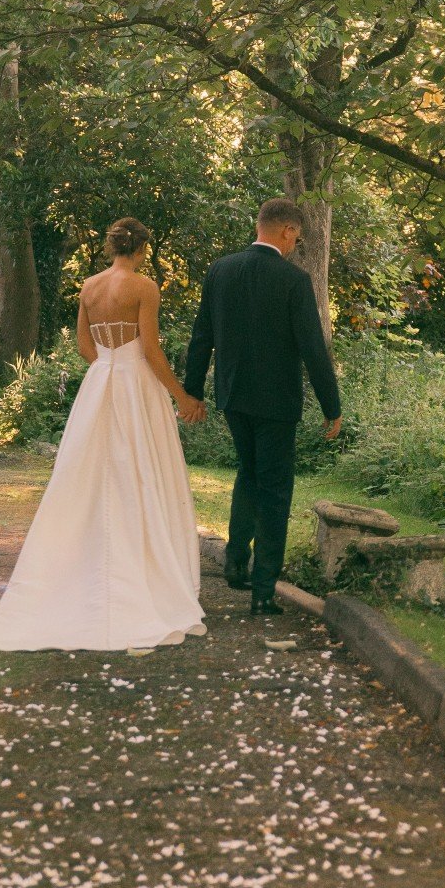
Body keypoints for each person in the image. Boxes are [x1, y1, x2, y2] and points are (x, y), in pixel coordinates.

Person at [0, 216, 209, 652]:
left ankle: (86, 567)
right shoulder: (144, 287)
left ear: (111, 247)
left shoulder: (89, 287)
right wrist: (182, 396)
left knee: (89, 474)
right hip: (135, 385)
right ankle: (143, 571)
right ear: (142, 249)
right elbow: (151, 349)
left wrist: (107, 366)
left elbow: (86, 347)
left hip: (100, 383)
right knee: (140, 471)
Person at [184, 197, 342, 615]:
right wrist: (332, 404)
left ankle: (236, 563)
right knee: (274, 488)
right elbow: (313, 348)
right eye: (297, 237)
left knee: (248, 473)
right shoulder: (292, 280)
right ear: (287, 230)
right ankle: (263, 590)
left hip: (233, 395)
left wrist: (193, 391)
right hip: (276, 402)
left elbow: (202, 336)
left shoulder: (221, 270)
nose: (296, 245)